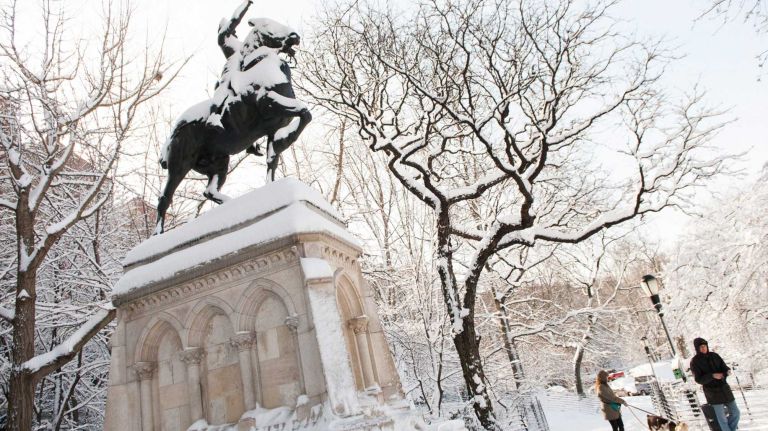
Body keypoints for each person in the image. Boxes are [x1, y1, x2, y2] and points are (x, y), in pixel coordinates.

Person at [690, 337, 740, 431]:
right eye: (701, 347)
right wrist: (712, 376)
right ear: (697, 348)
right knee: (722, 419)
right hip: (712, 393)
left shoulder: (715, 356)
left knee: (736, 412)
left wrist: (727, 372)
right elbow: (699, 379)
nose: (703, 348)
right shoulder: (694, 362)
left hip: (725, 389)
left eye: (705, 346)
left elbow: (724, 368)